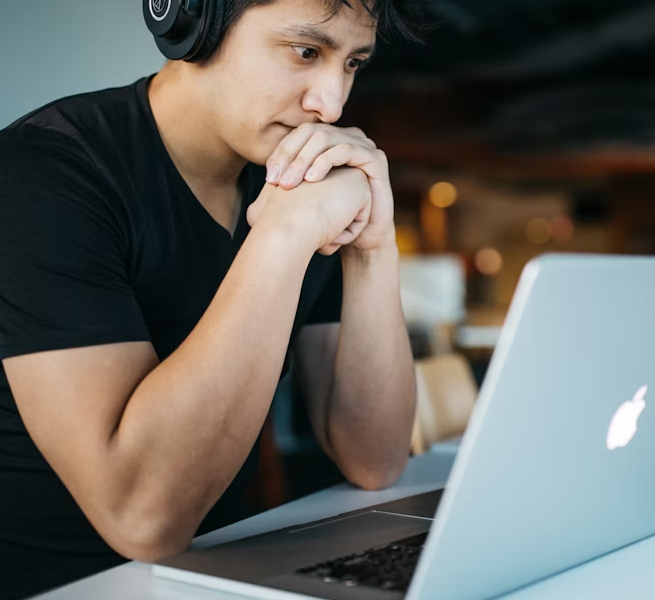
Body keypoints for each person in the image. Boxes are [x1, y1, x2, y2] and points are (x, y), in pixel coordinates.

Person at [0, 0, 426, 597]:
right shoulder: (44, 174)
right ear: (191, 22)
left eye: (352, 63)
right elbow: (142, 520)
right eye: (306, 52)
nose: (329, 105)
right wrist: (282, 234)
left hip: (220, 575)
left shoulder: (296, 174)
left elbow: (375, 458)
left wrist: (371, 248)